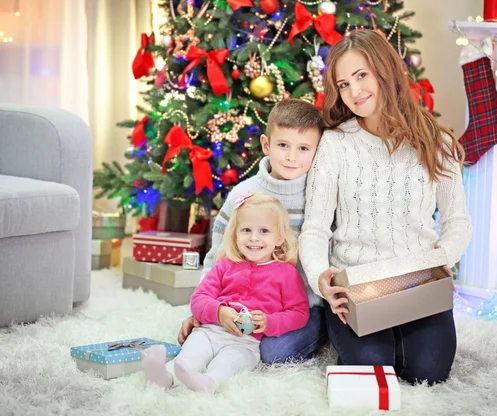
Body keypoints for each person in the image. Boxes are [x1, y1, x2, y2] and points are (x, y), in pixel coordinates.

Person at [299, 30, 472, 386]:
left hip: (417, 282)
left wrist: (443, 259)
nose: (354, 92)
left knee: (429, 373)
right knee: (372, 369)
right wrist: (321, 278)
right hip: (357, 286)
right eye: (344, 84)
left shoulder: (435, 141)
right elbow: (315, 228)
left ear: (386, 71)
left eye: (362, 76)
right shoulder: (335, 145)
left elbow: (458, 221)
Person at [177, 99, 327, 363]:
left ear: (317, 150)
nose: (292, 157)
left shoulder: (321, 196)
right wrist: (205, 312)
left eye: (304, 148)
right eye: (283, 145)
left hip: (304, 306)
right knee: (217, 339)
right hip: (247, 305)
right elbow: (217, 256)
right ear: (266, 145)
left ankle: (322, 334)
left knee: (273, 353)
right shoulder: (242, 195)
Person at [141, 192, 310, 392]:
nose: (254, 238)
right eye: (246, 230)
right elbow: (199, 299)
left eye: (264, 231)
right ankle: (164, 376)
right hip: (210, 331)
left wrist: (269, 322)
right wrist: (219, 312)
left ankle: (209, 382)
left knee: (228, 363)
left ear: (280, 237)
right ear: (235, 234)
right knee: (190, 355)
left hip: (246, 343)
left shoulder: (287, 274)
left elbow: (299, 313)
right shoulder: (225, 265)